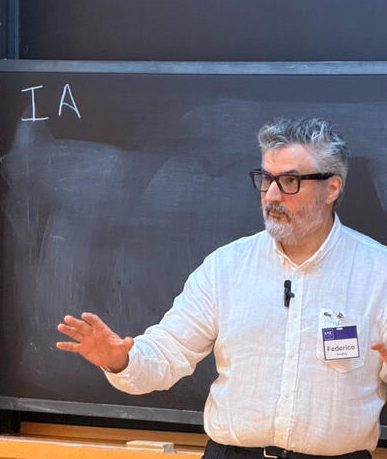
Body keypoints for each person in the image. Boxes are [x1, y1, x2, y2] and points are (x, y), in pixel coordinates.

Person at [56, 117, 387, 459]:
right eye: (266, 179)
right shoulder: (226, 267)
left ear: (332, 188)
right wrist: (122, 360)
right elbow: (168, 352)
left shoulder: (378, 273)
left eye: (290, 181)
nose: (272, 196)